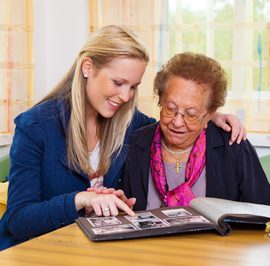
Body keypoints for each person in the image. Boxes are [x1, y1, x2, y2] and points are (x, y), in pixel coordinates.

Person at [0, 25, 246, 250]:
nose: (126, 96)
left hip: (91, 251)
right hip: (34, 253)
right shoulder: (35, 126)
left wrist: (207, 116)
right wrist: (81, 200)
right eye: (118, 82)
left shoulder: (128, 122)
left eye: (133, 86)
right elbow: (18, 220)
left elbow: (169, 125)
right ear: (88, 67)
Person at [122, 52, 270, 211]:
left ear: (210, 113)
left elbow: (264, 214)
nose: (177, 122)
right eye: (170, 109)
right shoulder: (137, 143)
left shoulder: (233, 146)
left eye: (191, 114)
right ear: (160, 100)